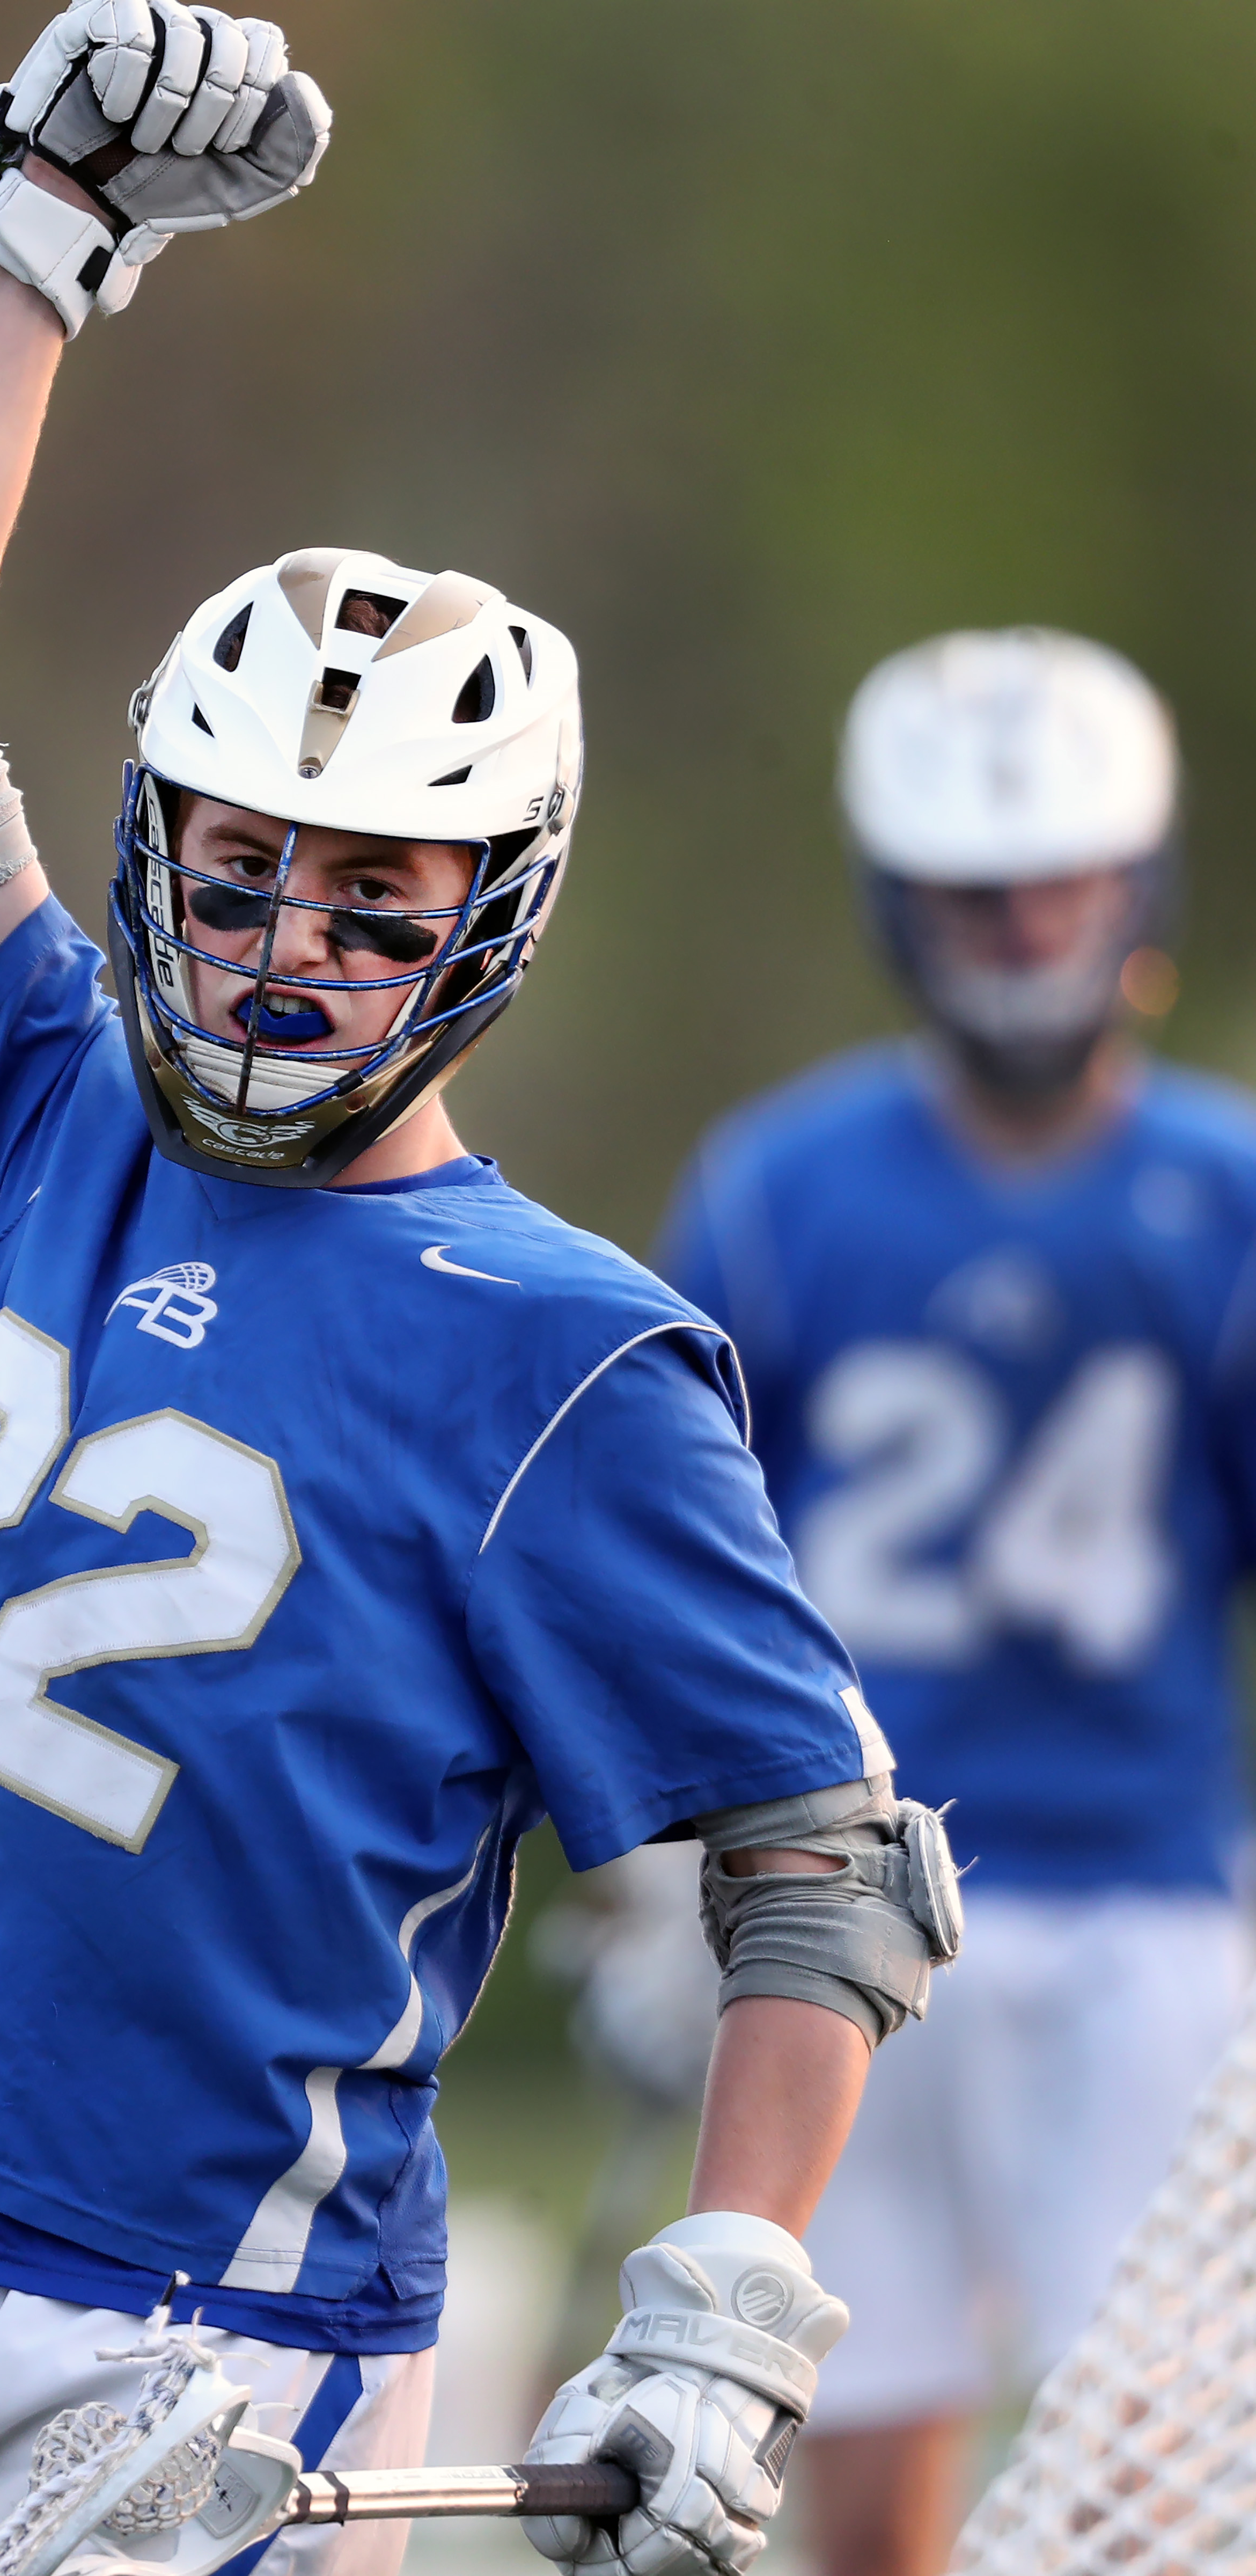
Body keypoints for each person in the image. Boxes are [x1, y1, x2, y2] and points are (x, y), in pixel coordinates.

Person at [0, 13, 958, 2575]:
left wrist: (722, 2308)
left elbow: (825, 1862)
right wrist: (39, 232)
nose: (287, 953)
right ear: (154, 842)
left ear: (484, 919)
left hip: (209, 2340)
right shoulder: (61, 1103)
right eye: (246, 870)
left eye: (374, 900)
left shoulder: (552, 1354)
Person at [655, 627, 1256, 2576]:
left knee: (1146, 2459)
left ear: (1137, 881)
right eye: (975, 895)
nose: (1018, 933)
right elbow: (691, 1560)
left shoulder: (1222, 1198)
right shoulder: (782, 1192)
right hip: (844, 1888)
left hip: (1137, 1892)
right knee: (863, 2420)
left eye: (1056, 885)